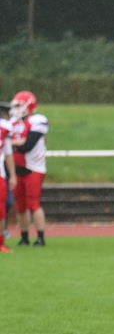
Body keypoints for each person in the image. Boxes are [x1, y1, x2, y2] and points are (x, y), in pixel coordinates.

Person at [9, 91, 49, 247]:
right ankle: (24, 237)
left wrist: (12, 143)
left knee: (33, 204)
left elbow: (27, 146)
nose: (16, 109)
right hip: (17, 169)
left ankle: (40, 237)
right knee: (20, 206)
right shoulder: (14, 122)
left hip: (34, 168)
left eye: (19, 105)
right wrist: (16, 142)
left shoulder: (38, 120)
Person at [0, 101, 16, 252]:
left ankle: (1, 241)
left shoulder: (4, 129)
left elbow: (8, 153)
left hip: (1, 174)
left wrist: (12, 175)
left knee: (3, 207)